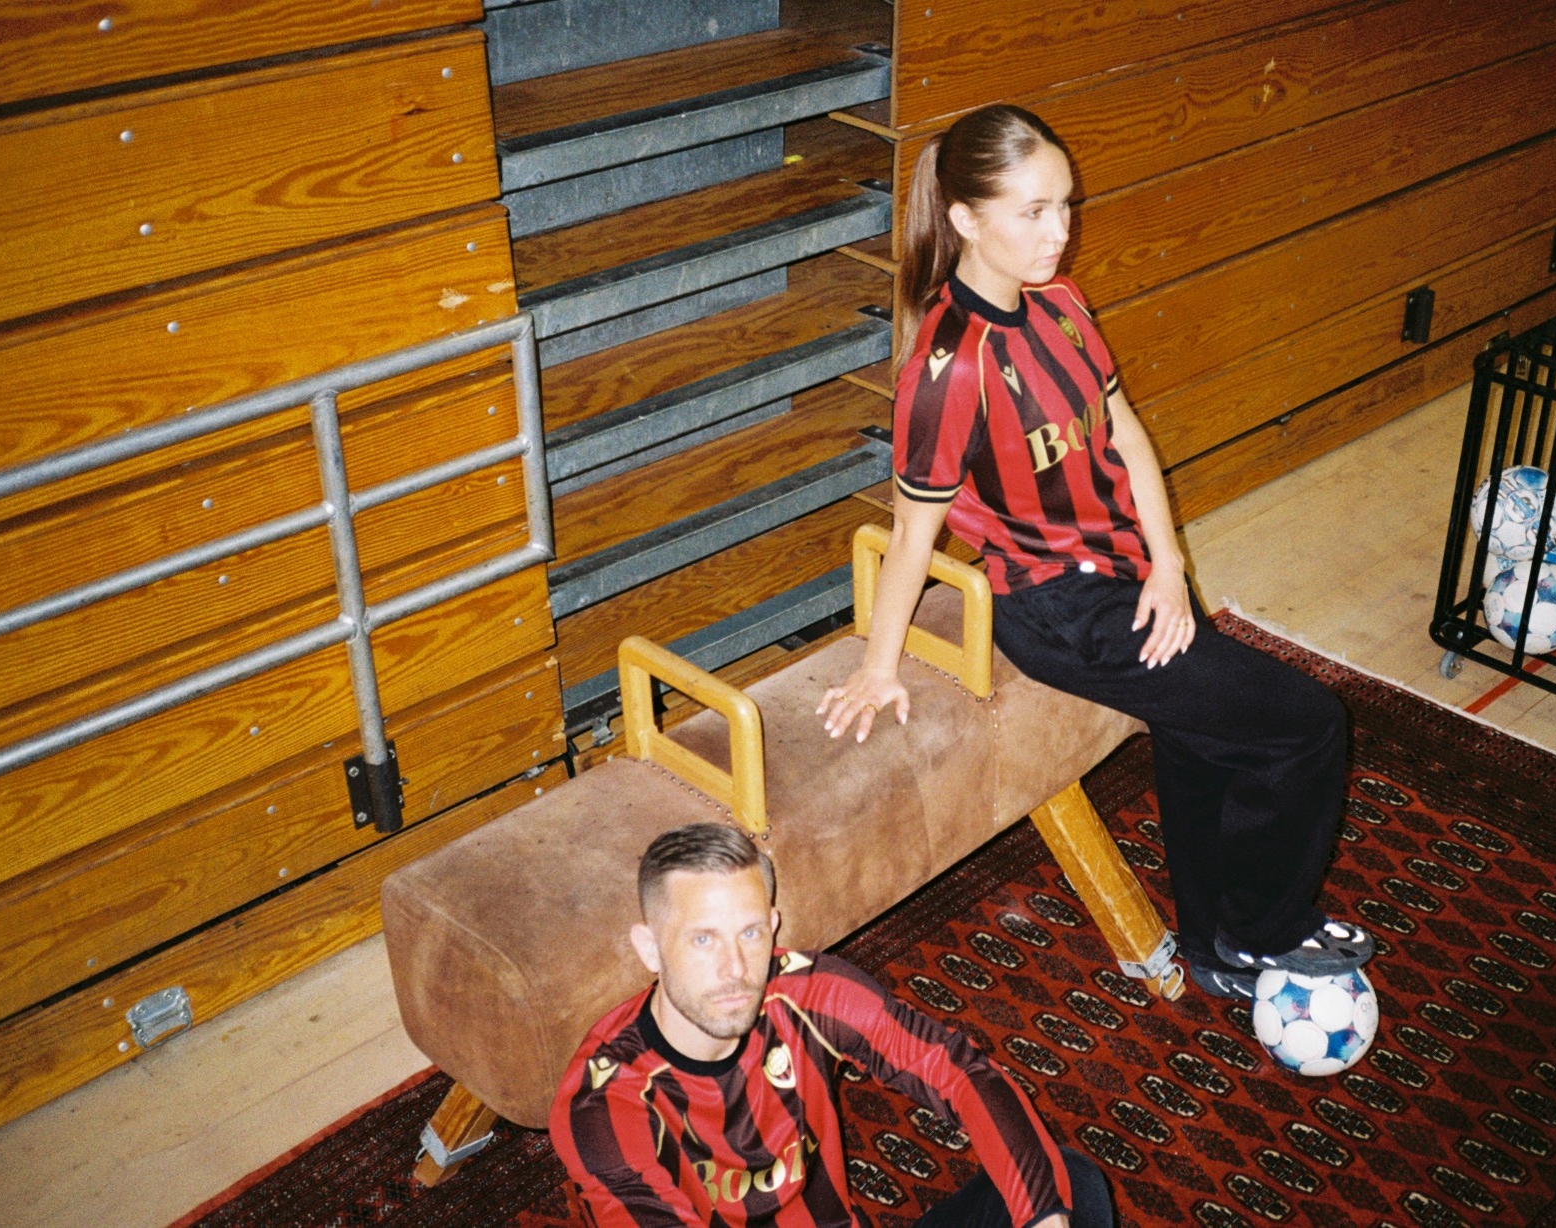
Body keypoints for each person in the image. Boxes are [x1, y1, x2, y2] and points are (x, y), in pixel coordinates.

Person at [814, 105, 1374, 1000]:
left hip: (1127, 571)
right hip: (1058, 609)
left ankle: (1215, 943)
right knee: (1308, 724)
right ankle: (1269, 929)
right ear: (964, 220)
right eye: (1033, 211)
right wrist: (879, 668)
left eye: (1066, 205)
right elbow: (913, 530)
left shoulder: (1063, 305)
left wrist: (1168, 567)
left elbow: (1128, 435)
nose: (1060, 232)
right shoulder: (949, 370)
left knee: (1199, 731)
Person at [549, 822, 1115, 1228]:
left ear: (773, 926)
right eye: (703, 939)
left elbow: (958, 1072)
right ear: (650, 948)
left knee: (1068, 1185)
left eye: (750, 933)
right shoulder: (604, 1107)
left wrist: (1043, 1219)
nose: (735, 968)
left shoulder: (807, 991)